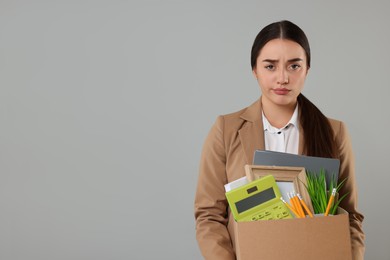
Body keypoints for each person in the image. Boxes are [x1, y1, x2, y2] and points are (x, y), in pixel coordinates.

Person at [194, 20, 365, 260]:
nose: (283, 78)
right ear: (255, 70)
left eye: (294, 66)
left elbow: (351, 217)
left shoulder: (334, 131)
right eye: (270, 66)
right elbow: (208, 215)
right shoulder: (226, 129)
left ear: (307, 69)